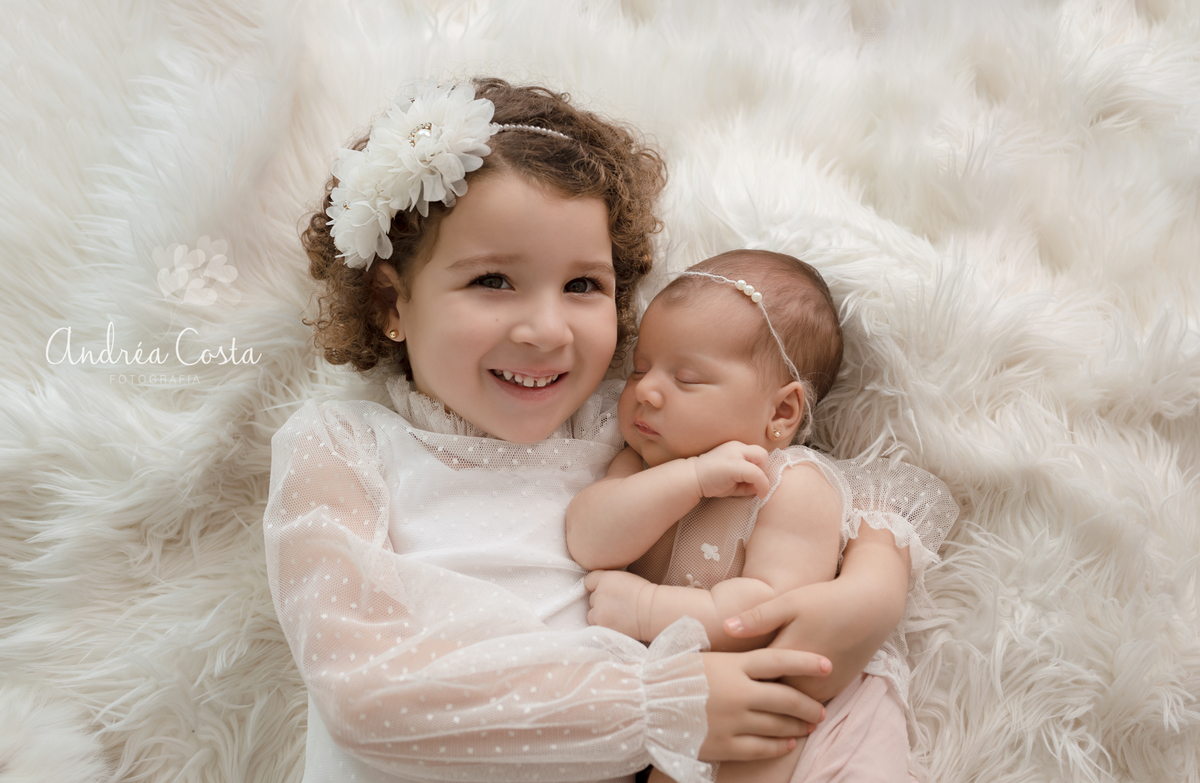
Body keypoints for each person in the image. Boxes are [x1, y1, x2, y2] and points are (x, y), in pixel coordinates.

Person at [263, 77, 918, 783]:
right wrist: (659, 705)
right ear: (392, 302)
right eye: (492, 280)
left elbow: (816, 484)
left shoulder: (625, 420)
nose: (547, 331)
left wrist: (873, 588)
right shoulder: (343, 446)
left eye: (583, 286)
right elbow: (362, 696)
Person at [567, 250, 958, 782]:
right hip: (680, 704)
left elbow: (770, 615)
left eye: (687, 378)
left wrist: (648, 608)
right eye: (640, 368)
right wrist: (691, 478)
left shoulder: (792, 486)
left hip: (803, 715)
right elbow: (588, 539)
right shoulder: (641, 463)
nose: (646, 391)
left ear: (781, 412)